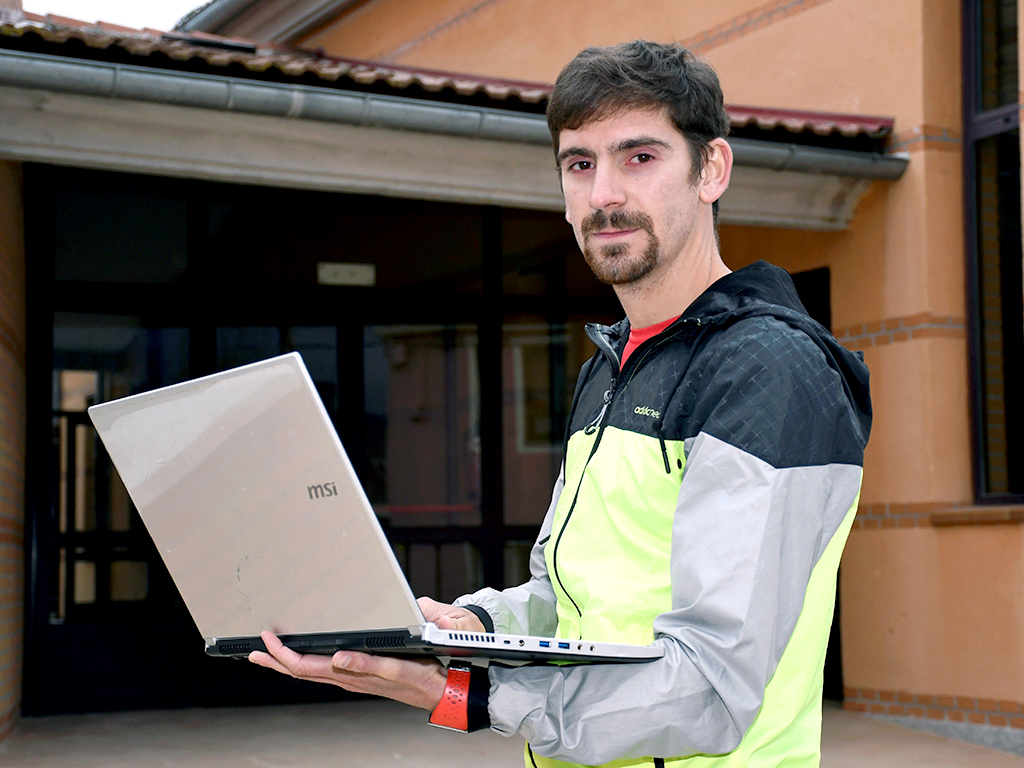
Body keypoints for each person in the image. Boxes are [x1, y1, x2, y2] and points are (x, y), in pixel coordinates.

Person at [250, 40, 872, 768]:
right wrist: (466, 627)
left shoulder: (768, 369)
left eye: (640, 157)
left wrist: (466, 698)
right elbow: (568, 598)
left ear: (712, 170)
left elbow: (709, 685)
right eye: (580, 164)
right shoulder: (611, 367)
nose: (604, 193)